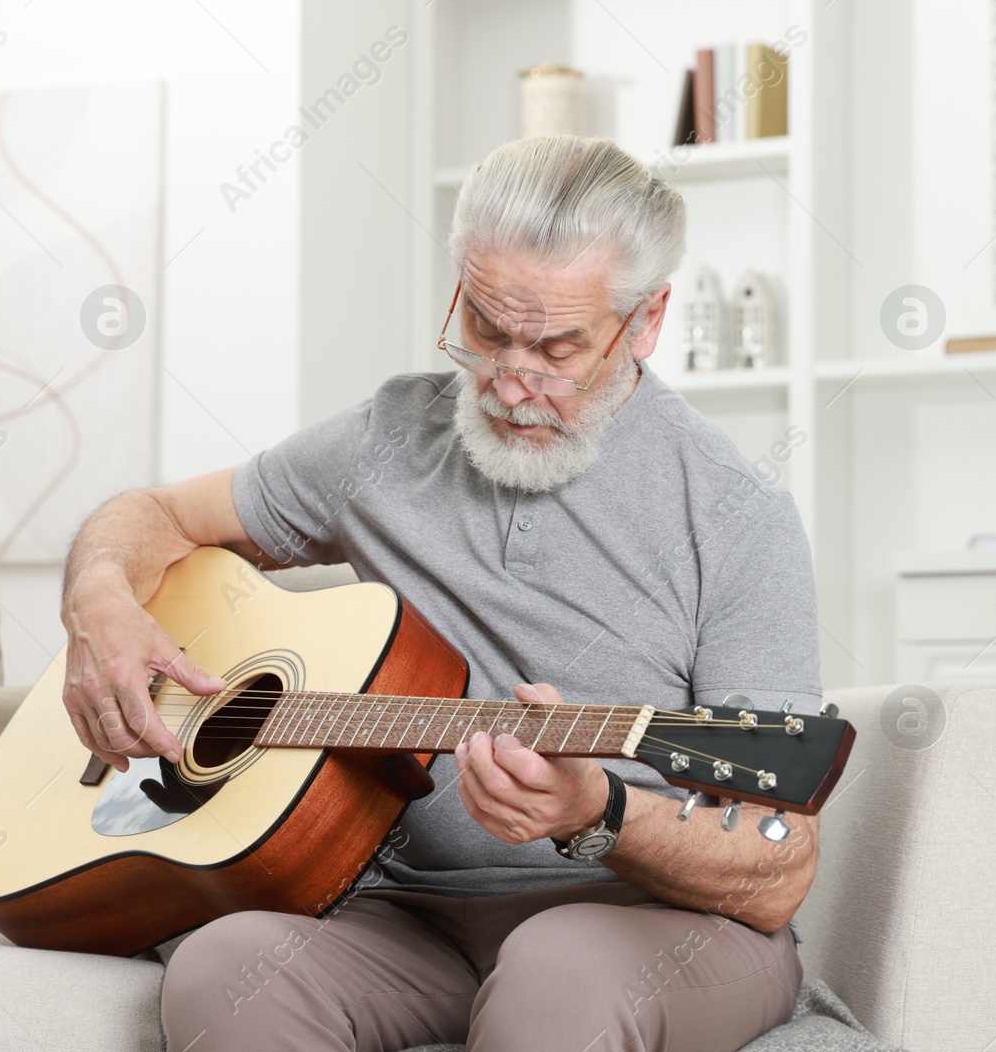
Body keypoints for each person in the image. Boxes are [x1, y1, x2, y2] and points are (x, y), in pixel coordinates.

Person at [57, 135, 822, 1052]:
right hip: (407, 917)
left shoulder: (739, 514)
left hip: (651, 923)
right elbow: (152, 514)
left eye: (556, 348)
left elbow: (776, 870)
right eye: (487, 331)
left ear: (648, 321)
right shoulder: (387, 437)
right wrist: (97, 599)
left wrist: (599, 814)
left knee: (560, 964)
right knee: (225, 966)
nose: (507, 383)